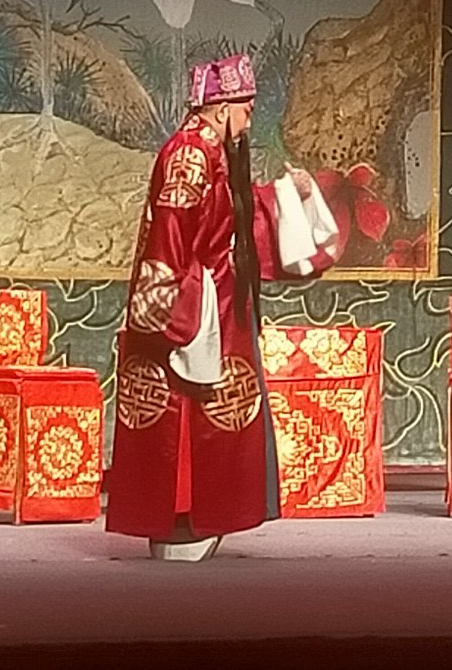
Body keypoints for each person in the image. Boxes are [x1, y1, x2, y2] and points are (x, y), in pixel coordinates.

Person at [106, 53, 341, 560]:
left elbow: (234, 211)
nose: (248, 121)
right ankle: (182, 522)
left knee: (214, 410)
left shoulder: (208, 150)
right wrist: (169, 310)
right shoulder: (189, 155)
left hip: (217, 297)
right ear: (221, 107)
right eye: (246, 109)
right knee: (187, 410)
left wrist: (289, 193)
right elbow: (170, 235)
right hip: (193, 303)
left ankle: (197, 518)